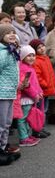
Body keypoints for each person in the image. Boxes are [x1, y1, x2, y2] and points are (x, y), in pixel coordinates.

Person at [0, 25, 22, 165]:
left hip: (9, 91)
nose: (12, 34)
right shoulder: (2, 52)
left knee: (7, 123)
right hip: (2, 91)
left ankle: (3, 147)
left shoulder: (11, 50)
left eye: (13, 32)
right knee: (1, 123)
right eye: (8, 33)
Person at [16, 46, 43, 146]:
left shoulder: (29, 67)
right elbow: (26, 86)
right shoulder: (23, 68)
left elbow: (35, 83)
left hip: (30, 98)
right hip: (25, 98)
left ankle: (27, 135)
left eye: (33, 55)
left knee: (27, 117)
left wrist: (39, 91)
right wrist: (35, 94)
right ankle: (23, 138)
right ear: (22, 57)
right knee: (22, 118)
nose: (32, 58)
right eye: (28, 56)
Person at [29, 39, 55, 136]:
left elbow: (50, 73)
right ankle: (37, 130)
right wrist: (45, 84)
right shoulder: (36, 60)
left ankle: (41, 128)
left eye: (42, 46)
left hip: (47, 89)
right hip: (42, 89)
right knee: (40, 111)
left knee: (44, 110)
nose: (41, 49)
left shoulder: (46, 58)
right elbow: (38, 76)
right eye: (38, 48)